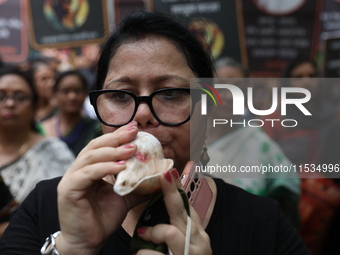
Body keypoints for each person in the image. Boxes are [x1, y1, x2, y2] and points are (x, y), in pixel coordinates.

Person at [0, 12, 310, 254]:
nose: (144, 114)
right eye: (121, 96)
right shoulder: (46, 205)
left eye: (172, 93)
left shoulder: (260, 223)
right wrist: (71, 249)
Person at [207, 57, 301, 228]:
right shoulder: (189, 138)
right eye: (221, 87)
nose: (229, 97)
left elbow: (287, 190)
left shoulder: (258, 141)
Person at [263, 57, 340, 254]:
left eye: (312, 76)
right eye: (298, 77)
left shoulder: (334, 116)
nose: (307, 81)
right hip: (287, 203)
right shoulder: (275, 117)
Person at [0, 67, 75, 203]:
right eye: (1, 96)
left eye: (19, 97)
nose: (10, 103)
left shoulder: (53, 151)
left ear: (35, 107)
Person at [41, 70, 102, 156]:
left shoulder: (96, 128)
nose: (72, 96)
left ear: (85, 93)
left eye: (77, 91)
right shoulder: (41, 129)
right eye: (65, 91)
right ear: (55, 94)